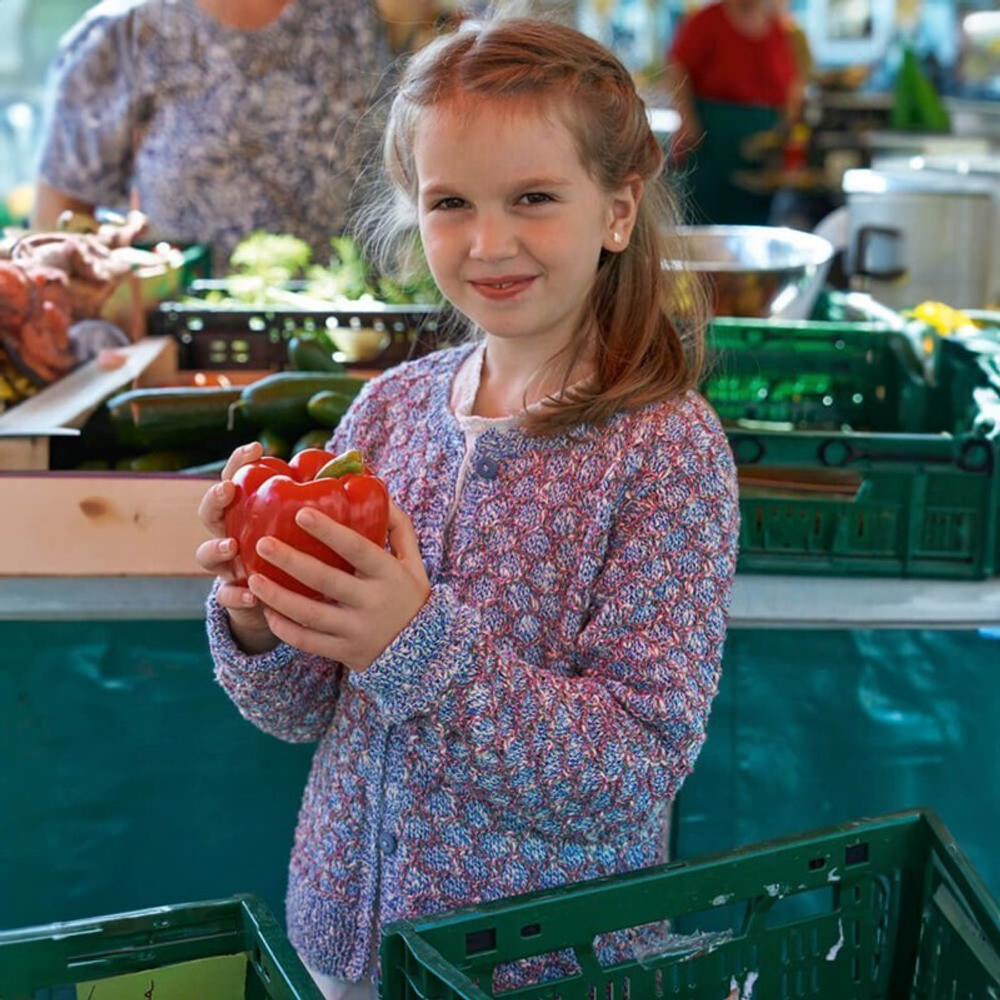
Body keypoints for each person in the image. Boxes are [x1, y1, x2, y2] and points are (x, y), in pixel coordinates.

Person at [196, 15, 740, 999]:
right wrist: (261, 619)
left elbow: (631, 772)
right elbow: (301, 711)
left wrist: (414, 646)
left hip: (536, 969)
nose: (489, 242)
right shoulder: (387, 411)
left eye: (533, 197)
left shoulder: (667, 452)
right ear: (414, 209)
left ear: (617, 210)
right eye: (450, 202)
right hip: (343, 948)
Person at [30, 0, 445, 272]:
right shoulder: (123, 34)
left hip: (355, 335)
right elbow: (57, 233)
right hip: (178, 348)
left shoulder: (379, 14)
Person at [665, 0, 805, 225]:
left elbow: (791, 84)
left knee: (756, 225)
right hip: (712, 141)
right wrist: (686, 118)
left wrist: (788, 126)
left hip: (761, 148)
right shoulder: (706, 21)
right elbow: (676, 68)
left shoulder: (777, 29)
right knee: (706, 221)